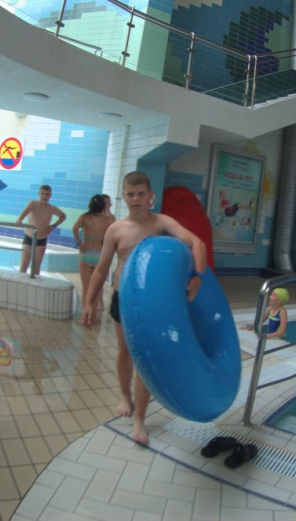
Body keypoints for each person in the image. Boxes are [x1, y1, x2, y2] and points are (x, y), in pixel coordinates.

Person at [78, 171, 206, 446]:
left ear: (150, 196)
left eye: (140, 194)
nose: (135, 199)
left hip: (153, 303)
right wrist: (88, 302)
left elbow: (197, 243)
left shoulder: (163, 223)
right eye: (130, 194)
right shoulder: (116, 230)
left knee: (145, 358)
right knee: (125, 352)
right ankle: (125, 395)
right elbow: (101, 269)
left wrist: (197, 276)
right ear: (123, 196)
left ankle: (140, 419)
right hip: (123, 298)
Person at [72, 194, 114, 326]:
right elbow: (113, 232)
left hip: (86, 253)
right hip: (99, 255)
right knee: (95, 289)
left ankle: (84, 318)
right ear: (103, 206)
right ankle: (93, 317)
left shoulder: (85, 217)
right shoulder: (108, 220)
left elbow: (74, 228)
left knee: (86, 289)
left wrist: (79, 242)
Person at [15, 185, 66, 276]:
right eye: (42, 194)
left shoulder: (52, 208)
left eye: (47, 194)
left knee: (36, 266)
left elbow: (63, 216)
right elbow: (25, 211)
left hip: (42, 239)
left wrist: (53, 226)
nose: (44, 196)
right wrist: (19, 220)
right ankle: (20, 282)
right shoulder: (33, 203)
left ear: (50, 195)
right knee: (24, 263)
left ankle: (34, 283)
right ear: (39, 194)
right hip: (29, 237)